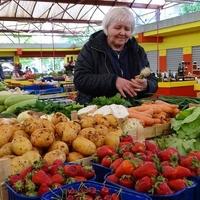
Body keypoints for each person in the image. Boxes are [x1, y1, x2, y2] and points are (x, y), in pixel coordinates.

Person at [74, 7, 158, 104]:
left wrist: (147, 85)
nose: (122, 33)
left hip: (132, 109)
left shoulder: (138, 51)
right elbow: (80, 79)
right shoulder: (91, 48)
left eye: (127, 29)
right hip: (97, 109)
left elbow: (151, 78)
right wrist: (113, 81)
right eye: (118, 28)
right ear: (107, 27)